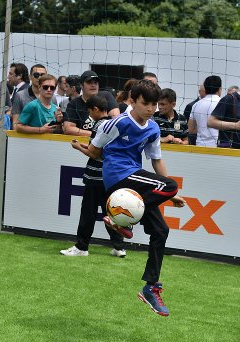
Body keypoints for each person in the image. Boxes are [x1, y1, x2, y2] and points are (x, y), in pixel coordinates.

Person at [74, 79, 186, 316]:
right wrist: (169, 188)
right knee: (171, 185)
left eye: (155, 104)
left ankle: (150, 287)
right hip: (118, 177)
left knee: (161, 231)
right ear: (132, 100)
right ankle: (120, 217)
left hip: (134, 180)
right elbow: (95, 151)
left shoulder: (154, 128)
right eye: (146, 103)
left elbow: (156, 159)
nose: (151, 108)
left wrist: (169, 193)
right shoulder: (117, 123)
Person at [60, 95, 125, 257]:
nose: (90, 115)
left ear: (96, 109)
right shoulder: (113, 125)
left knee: (88, 213)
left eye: (90, 111)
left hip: (95, 176)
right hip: (109, 176)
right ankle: (119, 247)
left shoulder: (99, 126)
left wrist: (77, 147)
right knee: (110, 212)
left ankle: (81, 247)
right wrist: (84, 145)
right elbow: (100, 150)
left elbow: (93, 153)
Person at [63, 70, 120, 137]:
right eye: (89, 82)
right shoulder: (74, 104)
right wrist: (95, 135)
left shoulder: (106, 96)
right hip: (84, 142)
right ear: (81, 85)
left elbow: (116, 120)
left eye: (96, 82)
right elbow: (68, 129)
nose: (93, 85)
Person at [188, 75, 222, 147]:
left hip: (200, 145)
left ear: (205, 89)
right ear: (220, 89)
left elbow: (191, 129)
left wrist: (202, 128)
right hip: (218, 147)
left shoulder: (196, 105)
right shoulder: (222, 103)